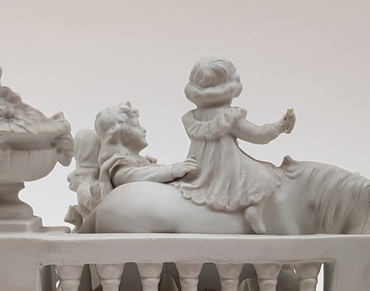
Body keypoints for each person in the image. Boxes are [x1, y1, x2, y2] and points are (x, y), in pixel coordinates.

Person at [172, 57, 295, 233]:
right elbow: (257, 135)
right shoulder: (228, 116)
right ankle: (255, 211)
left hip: (200, 168)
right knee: (263, 177)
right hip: (226, 165)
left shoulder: (193, 117)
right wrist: (279, 127)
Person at [89, 102, 197, 206]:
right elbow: (127, 176)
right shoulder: (119, 160)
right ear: (121, 134)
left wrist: (153, 165)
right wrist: (171, 170)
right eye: (137, 126)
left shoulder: (134, 159)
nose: (144, 130)